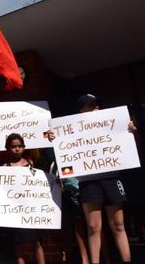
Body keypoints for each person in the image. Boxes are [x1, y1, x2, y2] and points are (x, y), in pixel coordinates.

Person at [49, 94, 134, 264]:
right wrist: (54, 139)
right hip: (88, 181)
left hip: (111, 178)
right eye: (91, 105)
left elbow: (129, 149)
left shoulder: (111, 124)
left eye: (97, 104)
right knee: (94, 227)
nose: (96, 108)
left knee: (118, 224)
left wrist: (130, 131)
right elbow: (63, 154)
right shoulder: (70, 130)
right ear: (81, 109)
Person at [3, 133, 46, 264]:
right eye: (13, 146)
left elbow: (39, 182)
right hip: (16, 212)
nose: (17, 149)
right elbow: (4, 191)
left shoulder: (31, 164)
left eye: (20, 146)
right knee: (19, 244)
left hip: (32, 210)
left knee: (36, 242)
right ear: (7, 148)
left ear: (24, 147)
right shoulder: (5, 168)